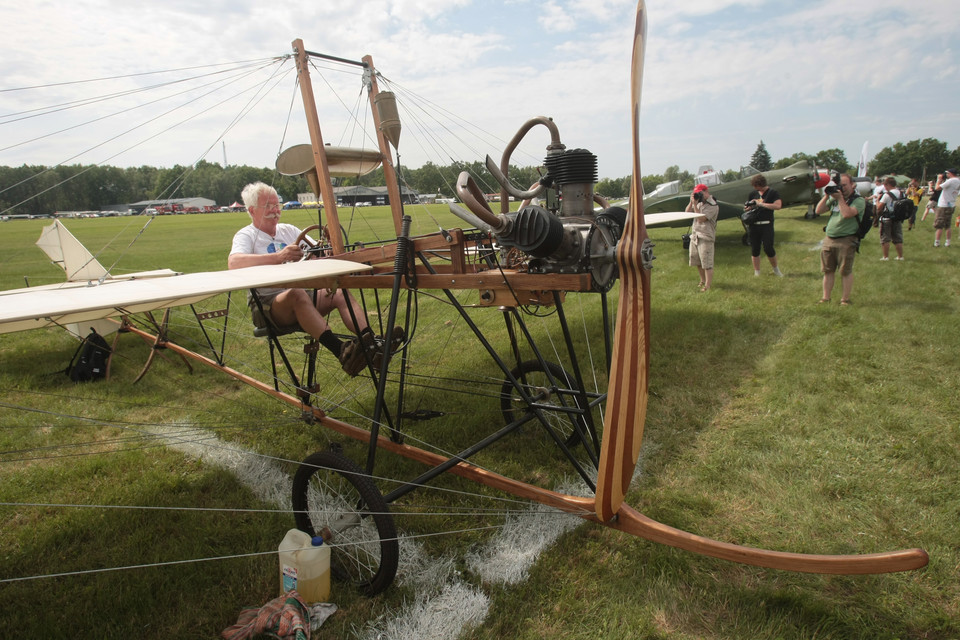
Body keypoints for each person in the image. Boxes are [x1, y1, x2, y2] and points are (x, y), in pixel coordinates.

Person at [228, 181, 400, 376]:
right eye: (268, 206)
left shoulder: (288, 230)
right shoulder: (246, 235)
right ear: (252, 210)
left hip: (299, 295)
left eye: (277, 205)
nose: (275, 211)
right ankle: (342, 352)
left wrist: (324, 252)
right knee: (296, 294)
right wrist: (279, 257)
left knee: (338, 292)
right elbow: (234, 262)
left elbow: (316, 251)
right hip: (267, 305)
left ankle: (373, 346)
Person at [815, 173, 863, 306]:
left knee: (845, 271)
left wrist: (840, 199)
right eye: (839, 186)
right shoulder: (834, 199)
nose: (842, 188)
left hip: (846, 240)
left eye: (844, 185)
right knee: (828, 270)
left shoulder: (858, 201)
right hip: (829, 239)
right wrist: (827, 195)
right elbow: (818, 211)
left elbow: (847, 214)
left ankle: (845, 300)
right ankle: (825, 298)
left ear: (852, 185)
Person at [744, 173, 783, 276]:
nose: (755, 188)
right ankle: (757, 272)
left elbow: (778, 206)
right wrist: (749, 206)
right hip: (754, 225)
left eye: (756, 186)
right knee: (755, 248)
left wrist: (760, 204)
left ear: (760, 185)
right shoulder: (753, 194)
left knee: (768, 248)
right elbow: (748, 208)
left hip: (767, 224)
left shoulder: (772, 193)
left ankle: (776, 269)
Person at [685, 183, 719, 291]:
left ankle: (707, 286)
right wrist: (692, 202)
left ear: (705, 191)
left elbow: (701, 219)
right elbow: (687, 213)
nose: (698, 195)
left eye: (699, 193)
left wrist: (695, 205)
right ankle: (702, 280)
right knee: (697, 261)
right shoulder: (699, 202)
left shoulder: (713, 205)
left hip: (705, 236)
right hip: (695, 235)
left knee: (707, 263)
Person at [876, 176, 904, 260]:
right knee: (898, 238)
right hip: (897, 217)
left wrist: (877, 200)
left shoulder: (887, 195)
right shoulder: (901, 193)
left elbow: (879, 207)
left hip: (887, 218)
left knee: (885, 238)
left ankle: (885, 257)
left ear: (888, 185)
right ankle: (900, 256)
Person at [934, 168, 960, 247]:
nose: (947, 175)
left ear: (951, 173)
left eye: (947, 173)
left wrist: (939, 180)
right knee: (947, 225)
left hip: (943, 205)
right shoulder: (958, 180)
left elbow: (937, 188)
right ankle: (947, 242)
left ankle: (937, 243)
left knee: (939, 225)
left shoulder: (951, 181)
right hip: (951, 204)